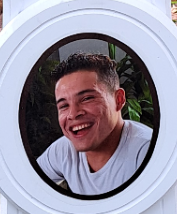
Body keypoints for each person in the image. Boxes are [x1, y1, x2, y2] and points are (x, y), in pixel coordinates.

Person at [36, 53, 153, 196]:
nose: (73, 114)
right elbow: (27, 185)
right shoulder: (63, 150)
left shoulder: (147, 152)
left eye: (87, 98)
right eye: (64, 106)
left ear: (118, 100)